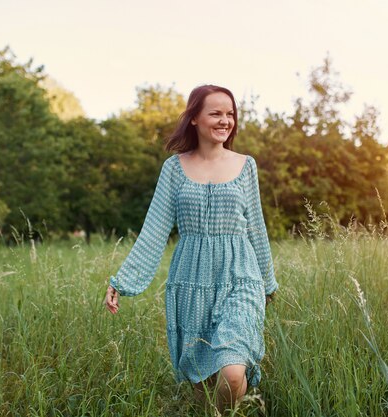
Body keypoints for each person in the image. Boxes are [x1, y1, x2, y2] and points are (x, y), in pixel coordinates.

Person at [104, 84, 279, 413]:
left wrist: (268, 283)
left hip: (241, 278)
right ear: (195, 118)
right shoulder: (174, 169)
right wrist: (120, 282)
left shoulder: (246, 165)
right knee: (202, 380)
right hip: (191, 282)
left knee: (231, 372)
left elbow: (256, 227)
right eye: (215, 113)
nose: (225, 121)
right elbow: (154, 231)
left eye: (230, 114)